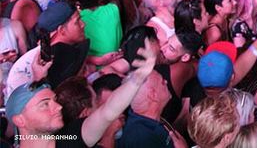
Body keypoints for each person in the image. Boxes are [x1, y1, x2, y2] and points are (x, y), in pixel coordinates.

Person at [5, 38, 159, 148]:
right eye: (45, 105)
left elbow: (108, 112)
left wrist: (136, 80)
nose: (58, 107)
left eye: (54, 101)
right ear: (20, 120)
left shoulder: (70, 139)